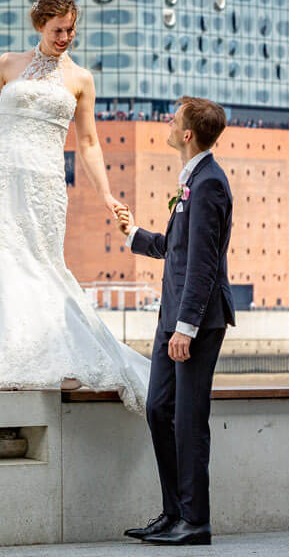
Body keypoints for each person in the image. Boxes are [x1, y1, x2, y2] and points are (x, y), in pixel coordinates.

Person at [0, 0, 148, 411]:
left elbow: (88, 143)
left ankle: (53, 356)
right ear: (40, 26)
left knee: (40, 263)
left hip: (45, 181)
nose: (64, 38)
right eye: (57, 30)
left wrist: (105, 194)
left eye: (71, 30)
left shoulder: (81, 79)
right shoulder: (7, 64)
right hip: (0, 175)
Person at [114, 96, 236, 547]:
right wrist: (133, 233)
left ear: (187, 134)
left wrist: (186, 328)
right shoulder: (193, 181)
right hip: (172, 318)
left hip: (195, 323)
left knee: (189, 420)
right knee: (159, 409)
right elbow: (176, 247)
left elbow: (203, 262)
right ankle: (173, 514)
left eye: (173, 119)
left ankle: (195, 521)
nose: (167, 124)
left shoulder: (209, 184)